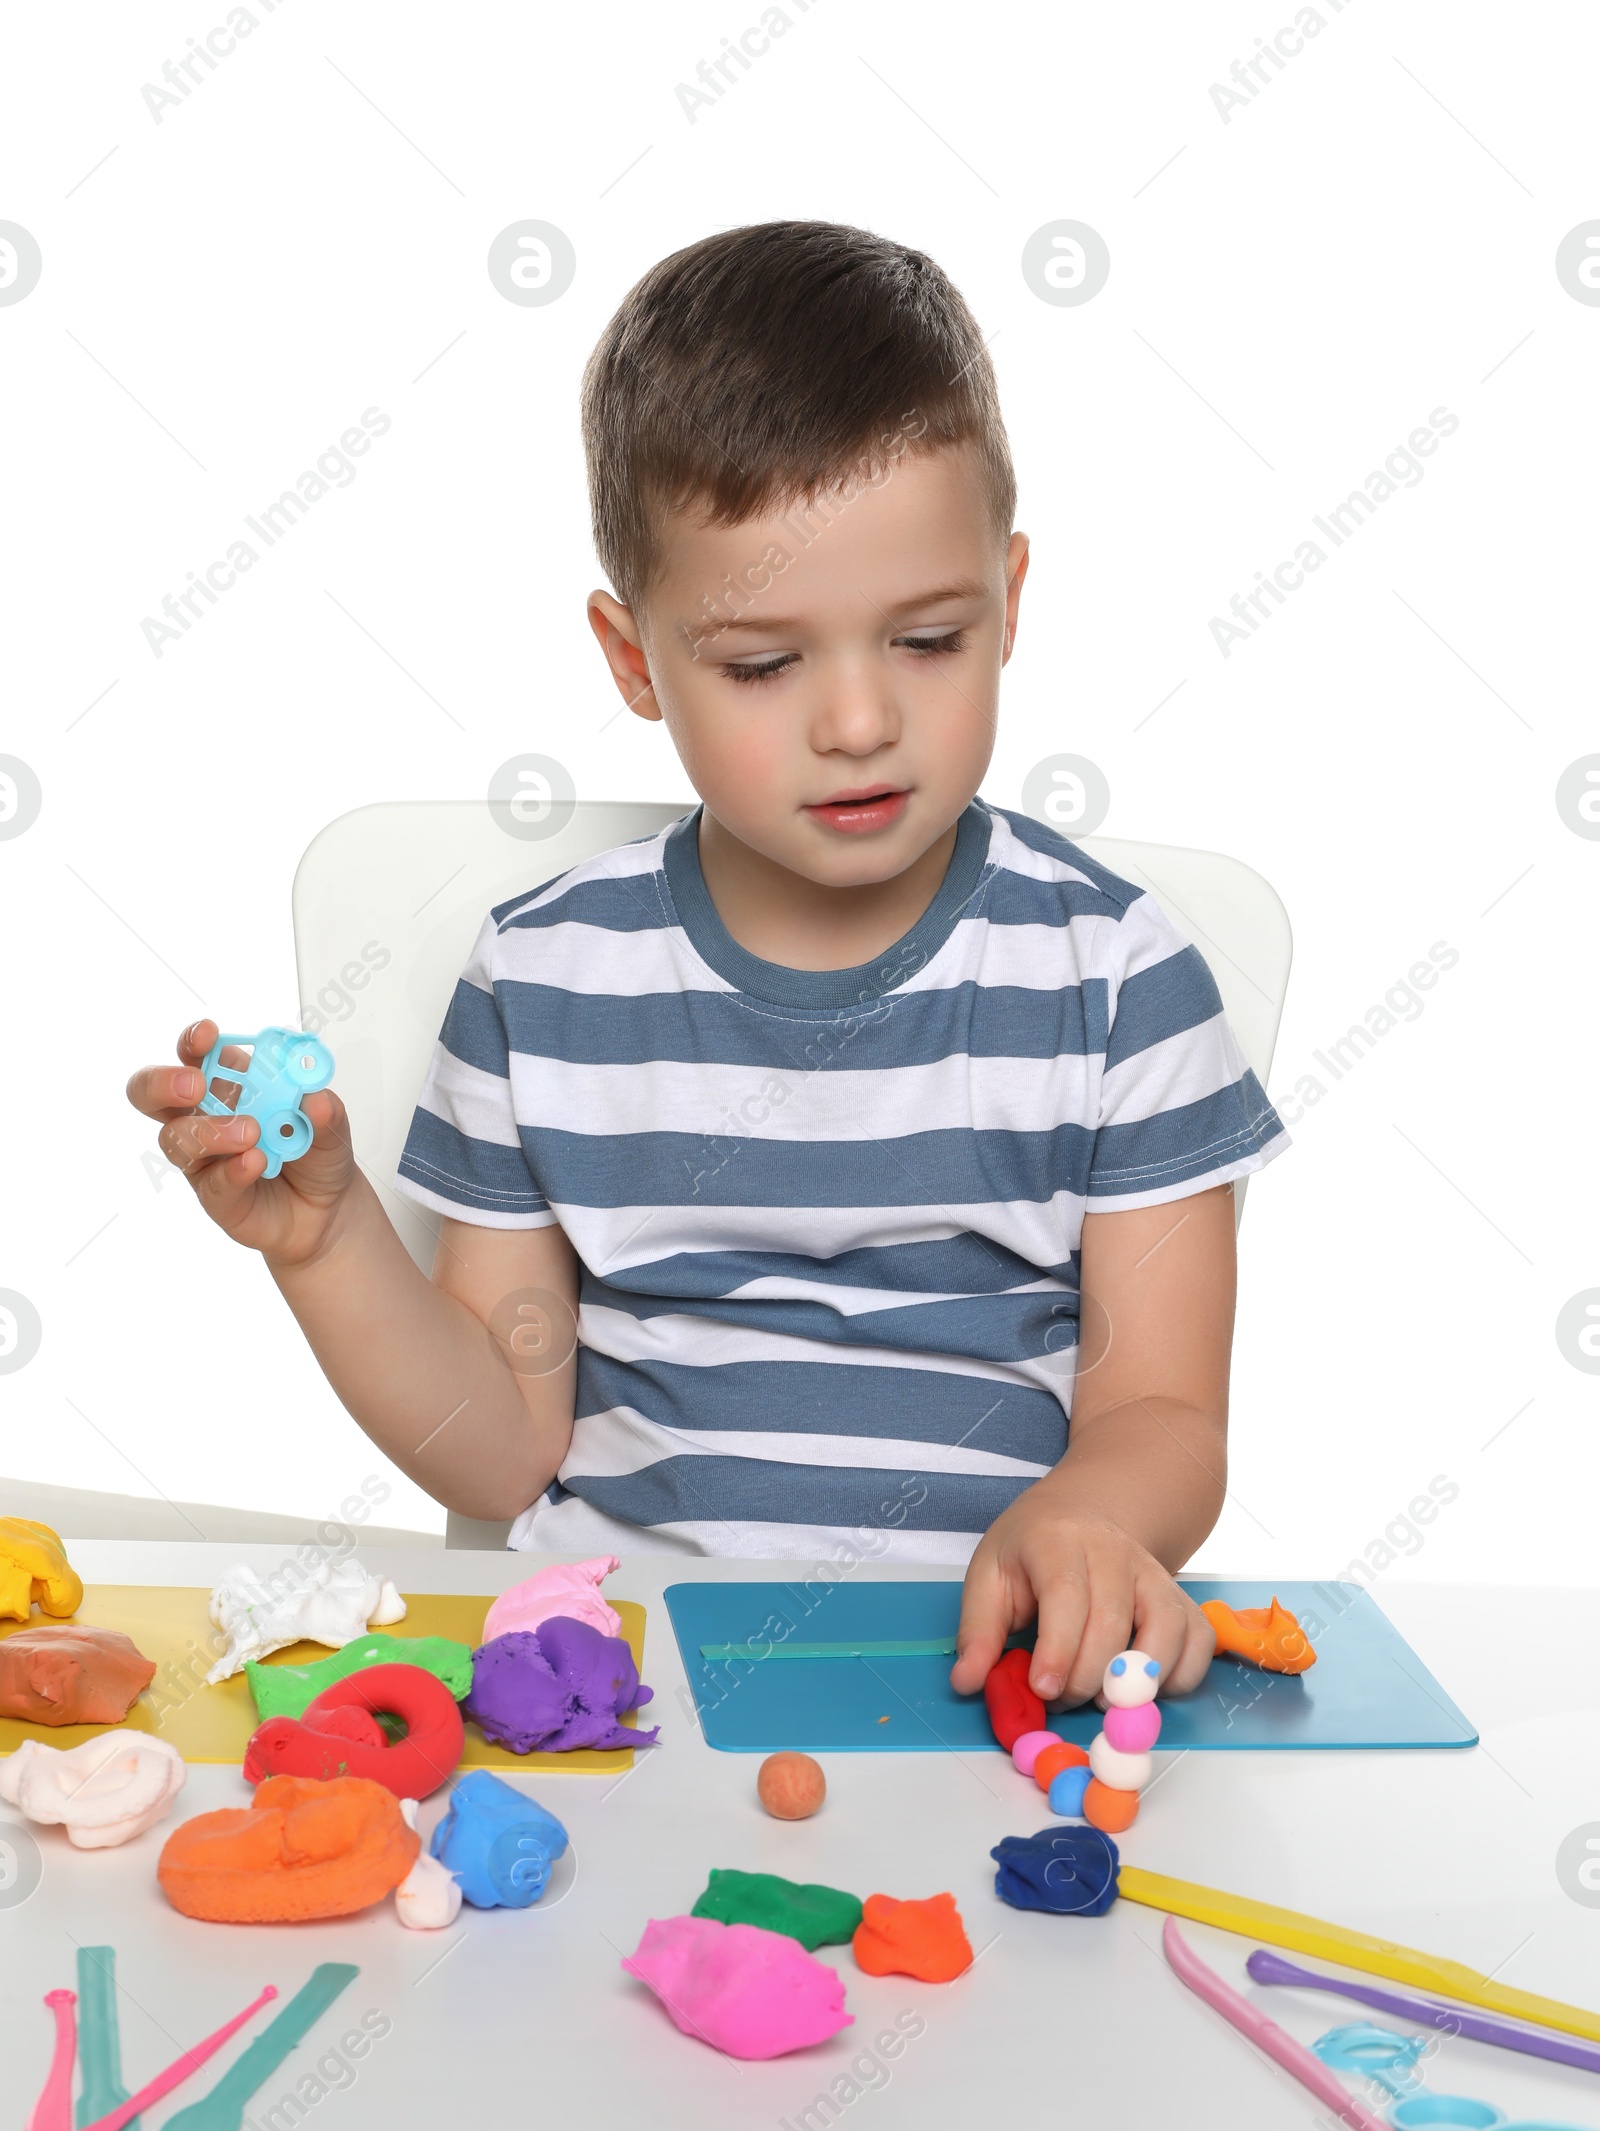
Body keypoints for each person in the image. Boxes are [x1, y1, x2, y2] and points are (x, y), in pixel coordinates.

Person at [127, 221, 1288, 1710]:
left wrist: (1091, 1515)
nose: (860, 719)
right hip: (618, 1679)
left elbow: (1168, 1409)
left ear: (1010, 600)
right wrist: (330, 1242)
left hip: (976, 1682)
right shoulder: (541, 978)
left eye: (929, 639)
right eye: (761, 664)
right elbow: (503, 1444)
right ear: (634, 662)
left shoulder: (1118, 977)